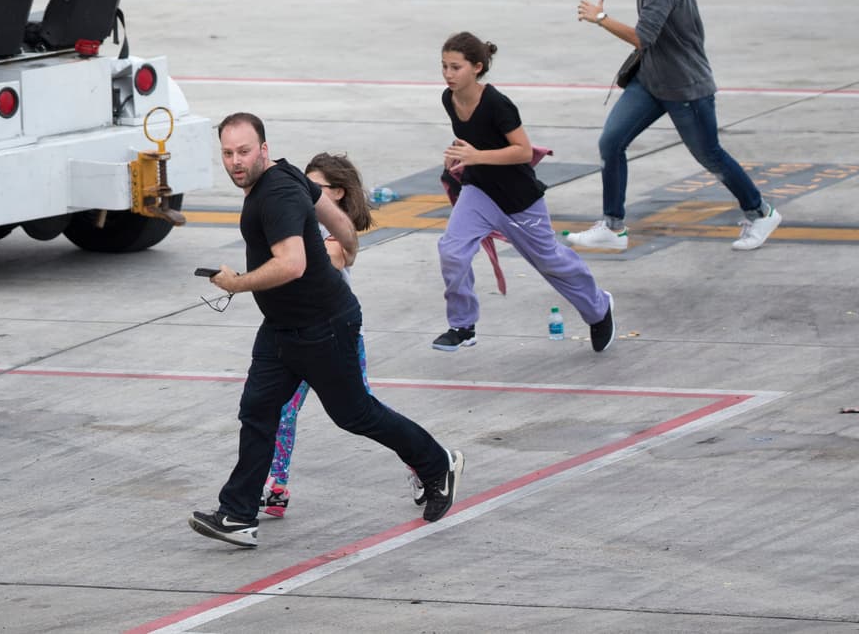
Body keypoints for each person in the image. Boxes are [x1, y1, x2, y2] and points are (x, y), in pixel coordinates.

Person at [189, 112, 463, 548]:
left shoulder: (274, 194)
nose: (235, 161)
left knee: (355, 414)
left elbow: (292, 263)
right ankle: (238, 514)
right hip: (282, 326)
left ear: (262, 148)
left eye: (243, 151)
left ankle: (437, 463)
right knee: (257, 412)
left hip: (322, 326)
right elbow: (327, 209)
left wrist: (237, 283)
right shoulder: (285, 171)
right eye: (227, 153)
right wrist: (348, 242)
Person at [567, 0, 782, 252]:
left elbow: (642, 37)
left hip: (685, 86)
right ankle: (613, 226)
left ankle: (761, 212)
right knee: (611, 141)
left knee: (709, 155)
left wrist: (601, 18)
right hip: (652, 81)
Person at [258, 152, 425, 517]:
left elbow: (330, 259)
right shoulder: (299, 219)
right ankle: (277, 486)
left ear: (337, 193)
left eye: (314, 187)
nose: (305, 192)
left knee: (363, 410)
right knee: (283, 410)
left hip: (336, 337)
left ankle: (420, 463)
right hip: (297, 332)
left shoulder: (338, 231)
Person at [433, 32, 615, 353]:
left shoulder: (497, 104)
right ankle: (463, 324)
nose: (448, 74)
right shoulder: (450, 99)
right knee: (452, 250)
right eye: (444, 66)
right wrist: (459, 156)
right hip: (479, 191)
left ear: (476, 67)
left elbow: (522, 151)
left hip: (519, 200)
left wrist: (477, 156)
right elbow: (472, 142)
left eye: (456, 67)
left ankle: (599, 308)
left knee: (550, 262)